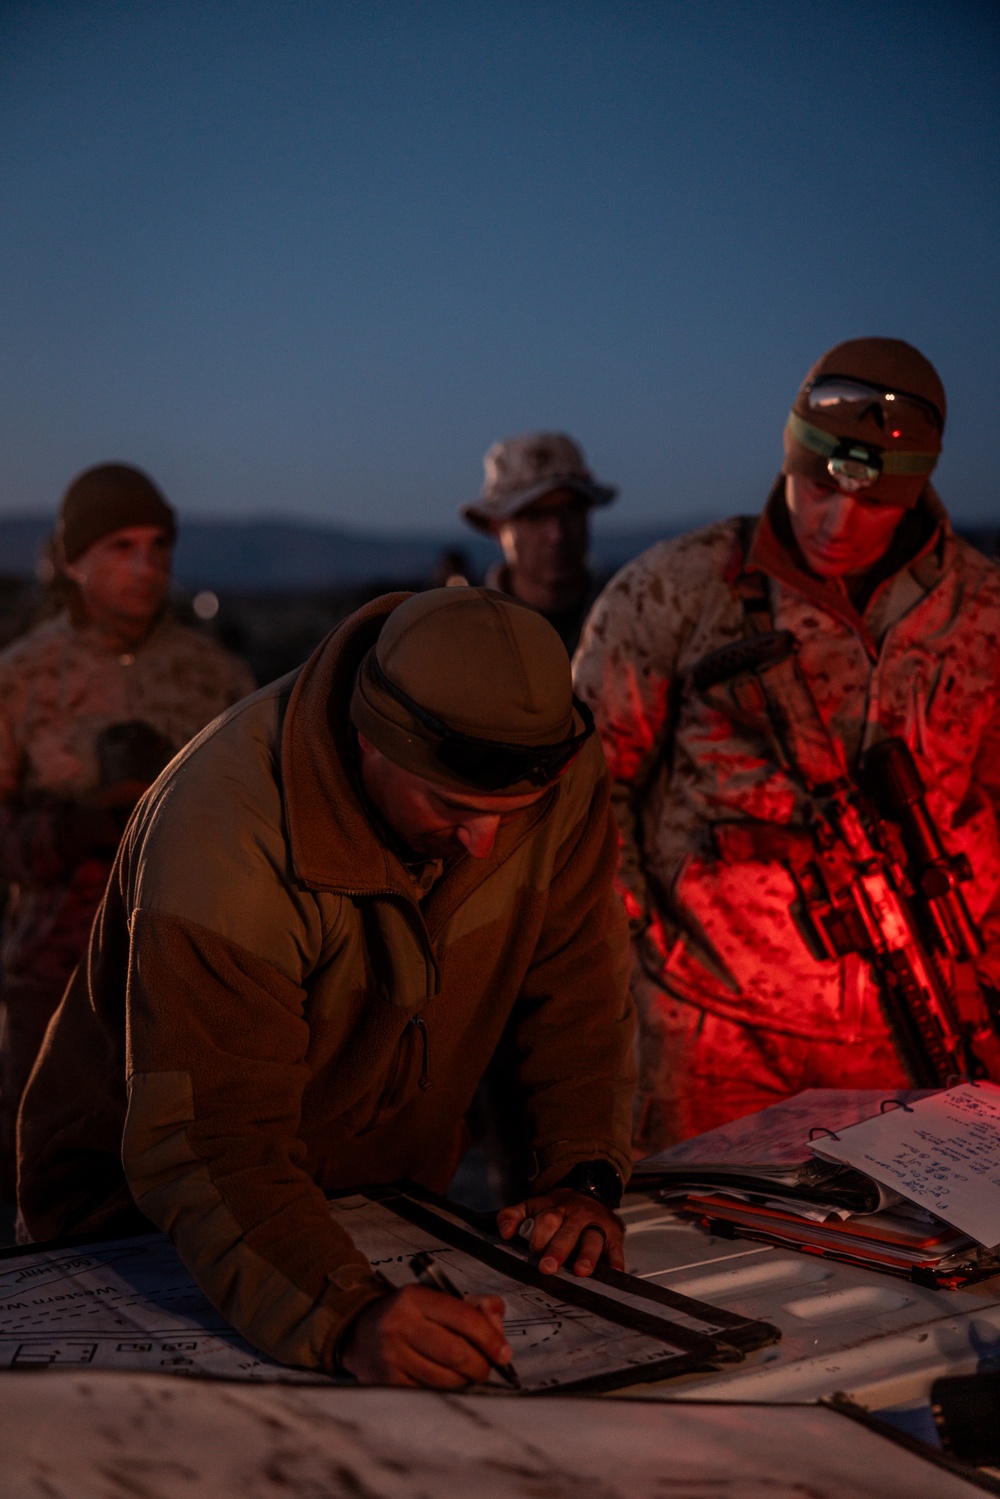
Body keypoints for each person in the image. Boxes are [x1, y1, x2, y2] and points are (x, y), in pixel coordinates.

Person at [18, 586, 636, 1388]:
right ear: (368, 739)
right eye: (452, 806)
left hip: (371, 1210)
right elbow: (209, 1140)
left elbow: (577, 984)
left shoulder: (553, 766)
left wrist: (578, 1175)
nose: (484, 846)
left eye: (513, 814)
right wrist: (343, 1313)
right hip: (144, 1238)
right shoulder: (222, 834)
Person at [574, 337, 1000, 1154]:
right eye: (817, 487)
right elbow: (583, 789)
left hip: (910, 1040)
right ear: (790, 454)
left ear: (916, 491)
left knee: (893, 1274)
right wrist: (639, 941)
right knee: (689, 1267)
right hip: (710, 1035)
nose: (838, 523)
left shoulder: (979, 614)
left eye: (875, 502)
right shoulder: (675, 587)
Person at [0, 463, 254, 1191]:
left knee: (186, 1185)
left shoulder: (217, 679)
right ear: (73, 559)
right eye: (120, 546)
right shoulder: (20, 680)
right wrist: (74, 828)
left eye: (159, 546)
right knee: (51, 1184)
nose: (146, 567)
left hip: (184, 975)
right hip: (53, 979)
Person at [461, 432, 617, 654]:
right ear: (497, 528)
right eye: (534, 516)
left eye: (570, 512)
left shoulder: (634, 618)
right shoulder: (464, 632)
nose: (557, 534)